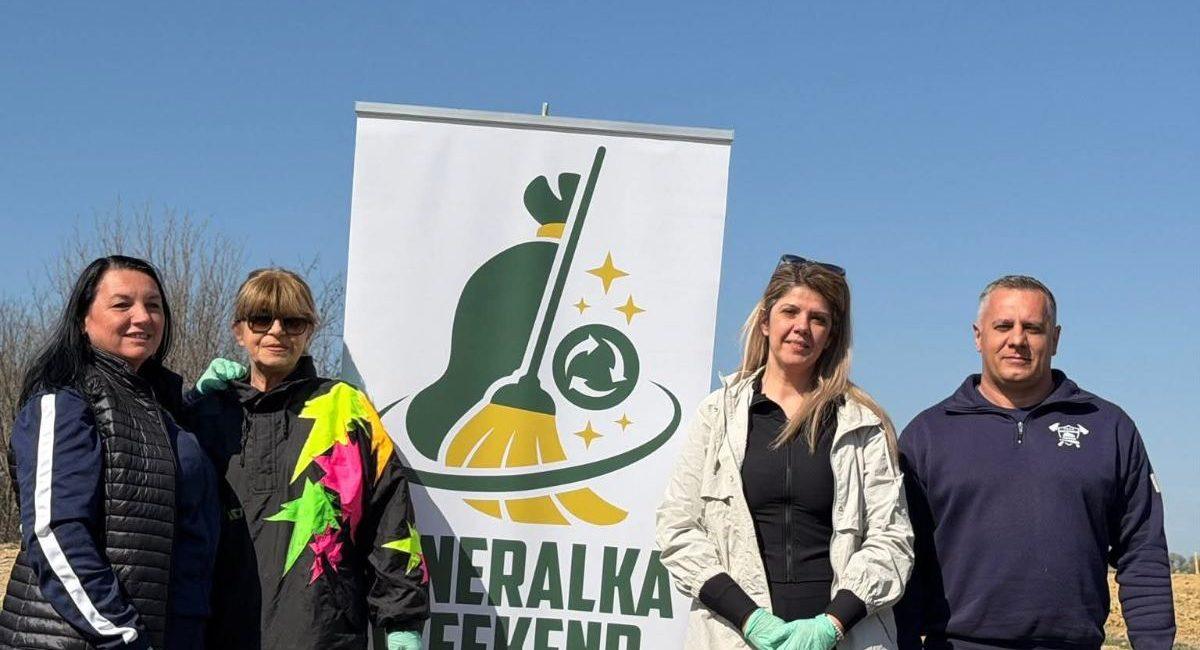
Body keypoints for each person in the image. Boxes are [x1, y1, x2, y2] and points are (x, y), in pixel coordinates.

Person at [895, 275, 1175, 649]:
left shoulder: (1109, 427)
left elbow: (1143, 552)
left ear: (1055, 339)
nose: (1017, 339)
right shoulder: (928, 435)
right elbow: (903, 560)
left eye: (1033, 328)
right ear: (978, 336)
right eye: (1003, 326)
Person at [656, 255, 914, 650]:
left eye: (818, 319)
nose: (802, 327)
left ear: (831, 335)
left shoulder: (864, 425)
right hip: (734, 637)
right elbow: (678, 528)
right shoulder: (717, 415)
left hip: (843, 638)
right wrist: (749, 618)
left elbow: (892, 539)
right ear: (765, 321)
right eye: (790, 312)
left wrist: (831, 625)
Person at [186, 268, 428, 650]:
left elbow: (389, 518)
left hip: (322, 634)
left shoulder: (346, 410)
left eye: (293, 321)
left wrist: (402, 621)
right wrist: (184, 407)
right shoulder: (205, 417)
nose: (277, 331)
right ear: (239, 331)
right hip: (215, 631)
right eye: (261, 319)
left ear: (309, 331)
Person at [0, 255, 219, 650]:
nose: (143, 317)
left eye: (154, 305)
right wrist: (122, 634)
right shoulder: (64, 399)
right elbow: (54, 532)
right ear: (83, 320)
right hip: (86, 640)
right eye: (122, 304)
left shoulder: (164, 410)